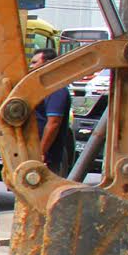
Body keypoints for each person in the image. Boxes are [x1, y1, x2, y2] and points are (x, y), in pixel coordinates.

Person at [31, 47, 75, 175]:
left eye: (34, 62)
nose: (31, 66)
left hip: (47, 159)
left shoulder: (56, 90)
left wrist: (41, 153)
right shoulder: (44, 89)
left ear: (48, 63)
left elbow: (53, 123)